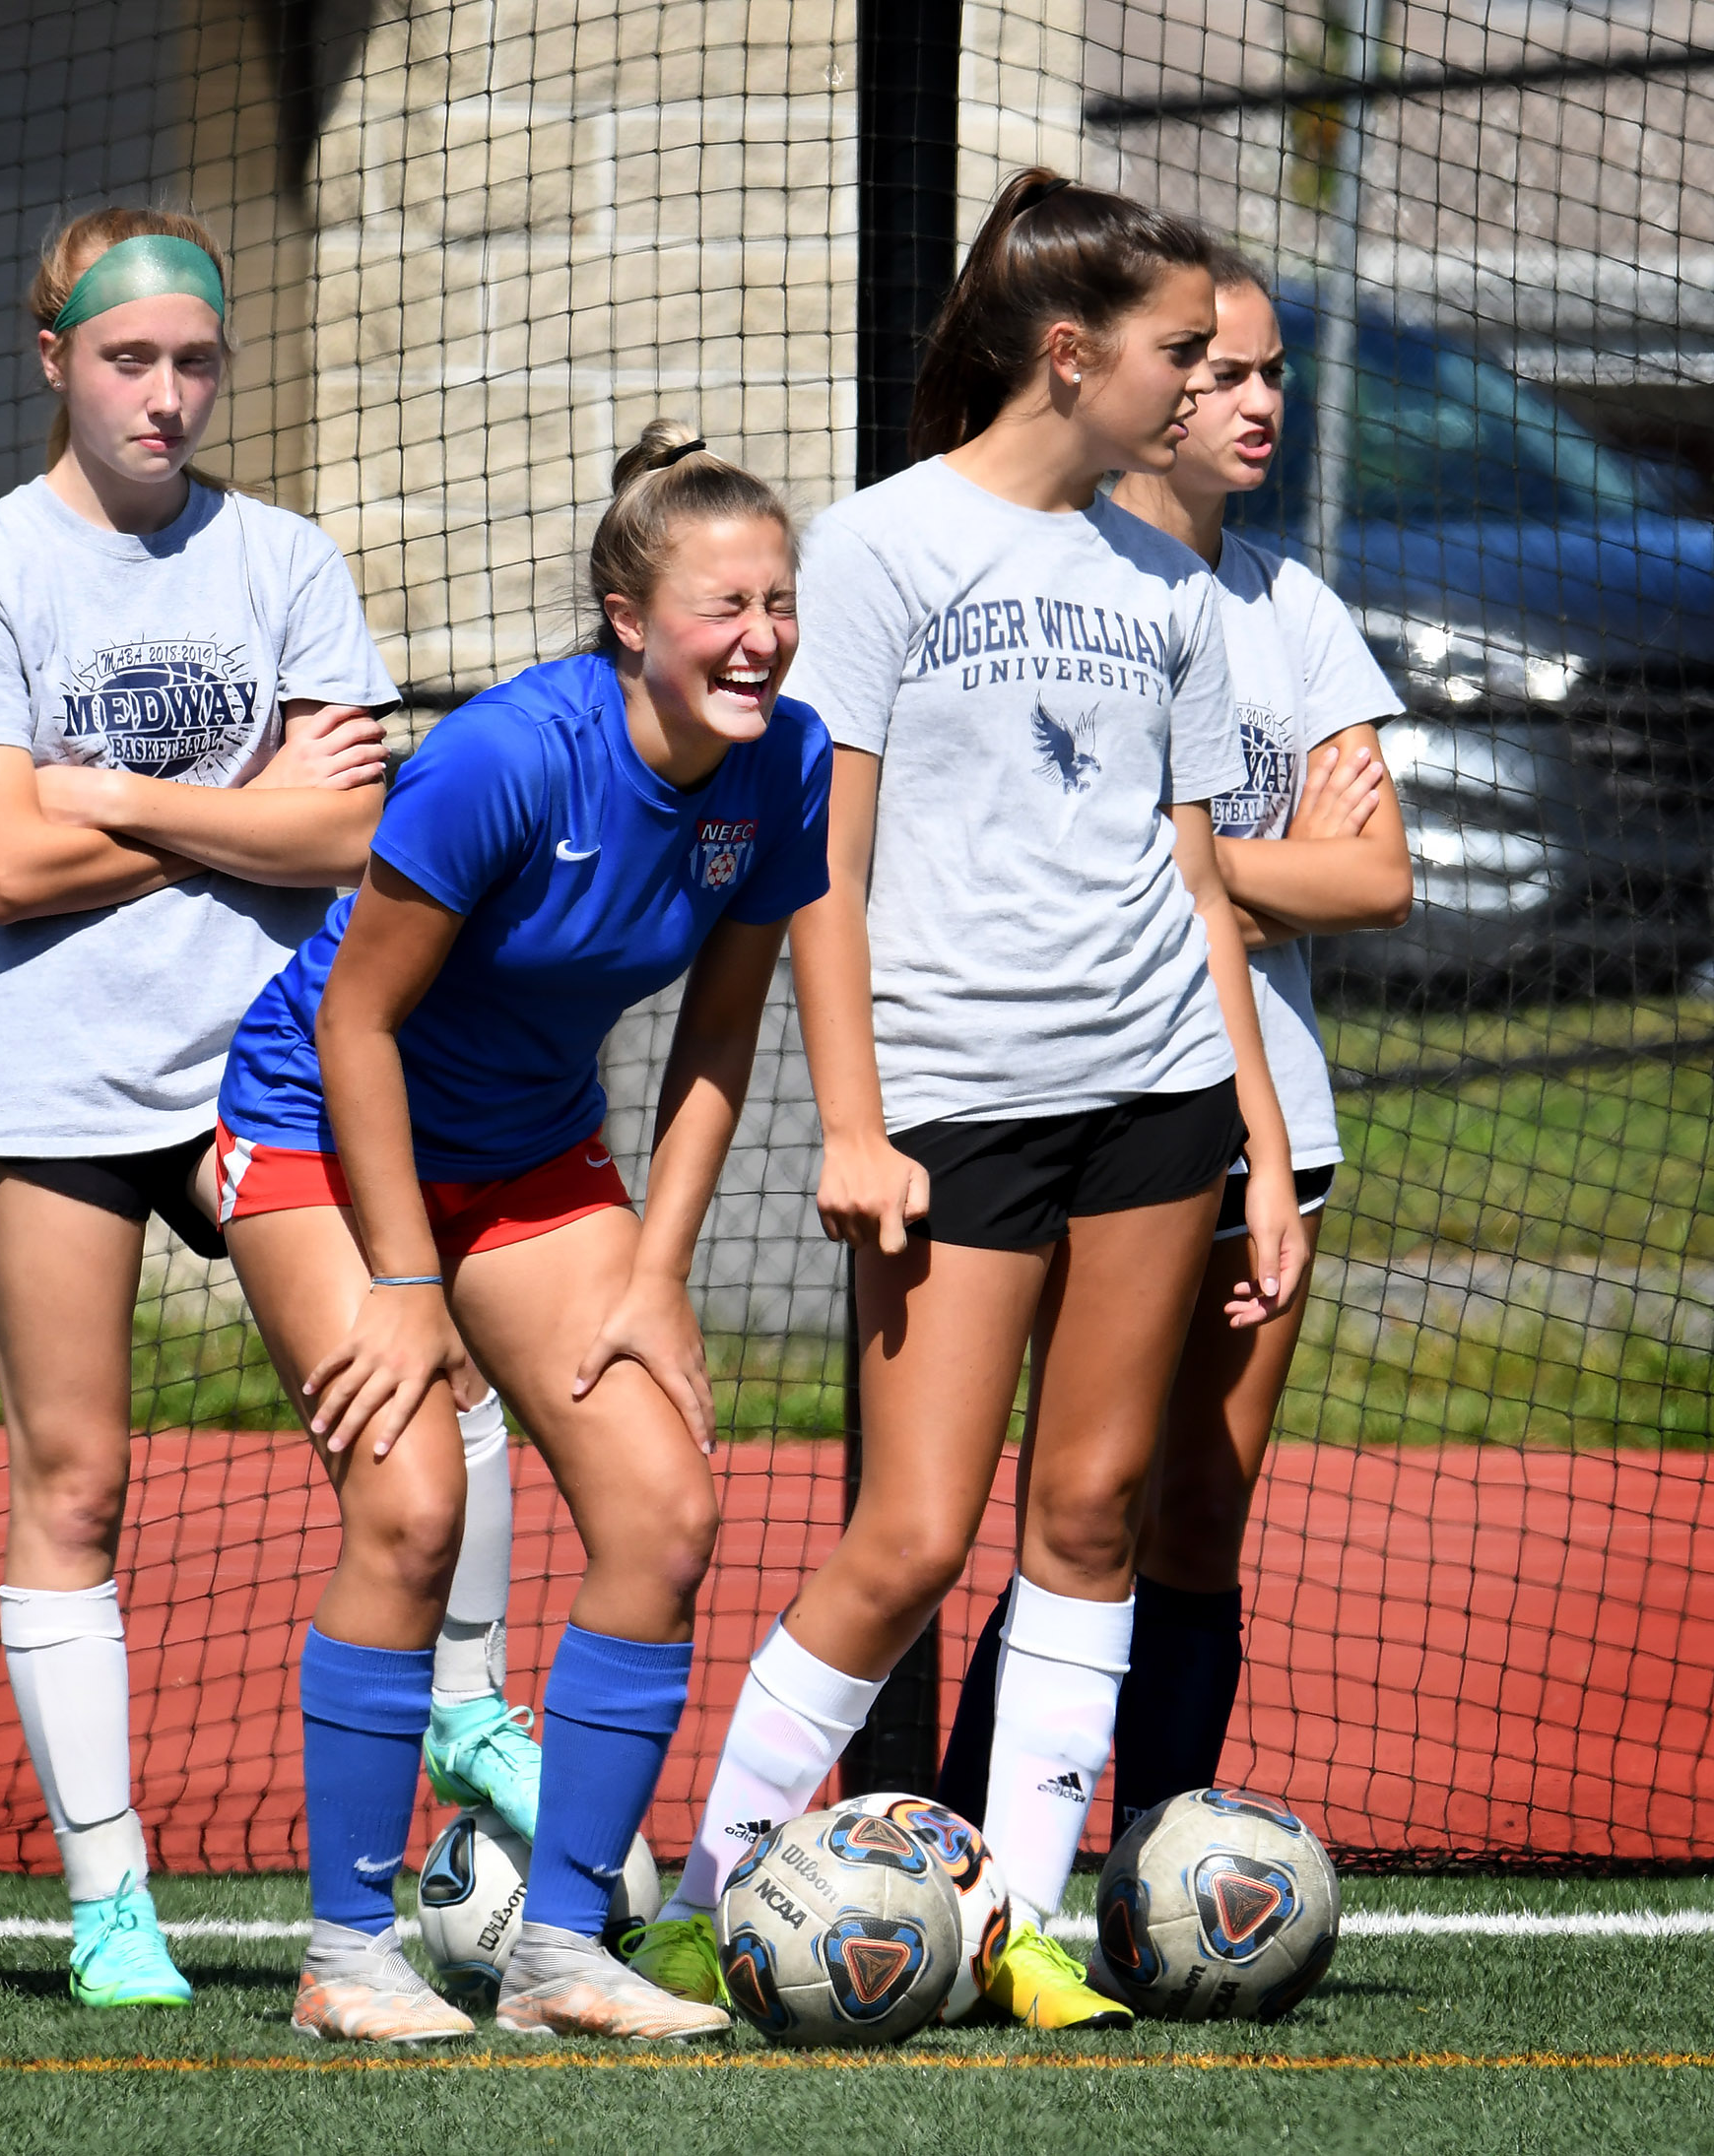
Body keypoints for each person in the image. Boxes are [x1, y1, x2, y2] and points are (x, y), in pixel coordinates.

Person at [628, 173, 1312, 2030]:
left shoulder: (1171, 578)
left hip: (1158, 1090)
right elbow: (820, 859)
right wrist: (850, 1118)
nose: (1201, 386)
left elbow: (1198, 868)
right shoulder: (876, 548)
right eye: (1180, 352)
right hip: (955, 1103)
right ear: (1072, 353)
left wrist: (1254, 1135)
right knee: (915, 1533)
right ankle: (711, 1899)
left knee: (1088, 1513)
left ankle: (1011, 1931)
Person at [0, 206, 534, 2013]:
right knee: (78, 1476)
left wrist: (118, 785)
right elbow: (3, 864)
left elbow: (351, 833)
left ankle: (469, 1702)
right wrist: (235, 783)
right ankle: (111, 1904)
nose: (166, 397)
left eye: (193, 362)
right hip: (55, 1073)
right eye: (128, 360)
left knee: (428, 1389)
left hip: (266, 1060)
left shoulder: (286, 560)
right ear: (56, 364)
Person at [213, 421, 833, 2043]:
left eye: (779, 599)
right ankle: (347, 1959)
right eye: (724, 603)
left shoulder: (789, 761)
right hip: (322, 1122)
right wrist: (406, 1288)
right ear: (631, 618)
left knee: (664, 1511)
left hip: (532, 1150)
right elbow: (355, 1024)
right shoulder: (507, 755)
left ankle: (562, 1956)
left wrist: (654, 1274)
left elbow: (717, 1038)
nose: (760, 634)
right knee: (413, 1508)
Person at [933, 250, 1413, 1875]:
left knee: (1200, 1516)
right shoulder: (1070, 587)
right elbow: (1107, 857)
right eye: (1222, 369)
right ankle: (959, 1845)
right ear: (1140, 383)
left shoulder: (1295, 606)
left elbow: (1381, 879)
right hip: (1100, 1094)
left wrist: (1203, 866)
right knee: (1083, 1498)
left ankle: (1155, 1858)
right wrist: (1227, 864)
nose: (1259, 397)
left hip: (1278, 1109)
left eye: (1273, 371)